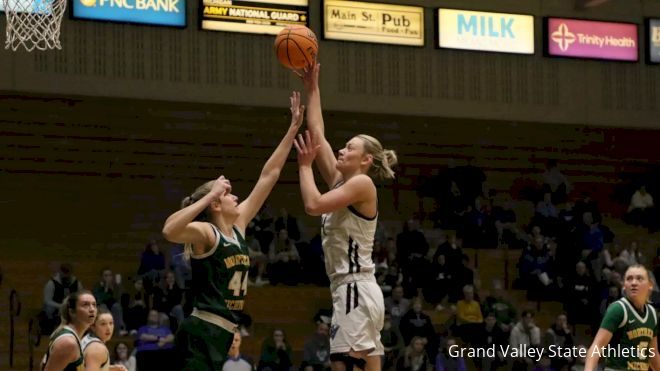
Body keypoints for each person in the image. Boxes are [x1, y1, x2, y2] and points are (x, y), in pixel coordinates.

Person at [162, 91, 305, 370]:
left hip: (223, 333)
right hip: (201, 331)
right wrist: (208, 195)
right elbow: (169, 230)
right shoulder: (207, 233)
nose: (236, 198)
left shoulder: (237, 228)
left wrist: (292, 129)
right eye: (229, 195)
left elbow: (269, 176)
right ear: (216, 203)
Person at [295, 62, 398, 371]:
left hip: (354, 287)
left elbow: (313, 205)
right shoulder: (342, 182)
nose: (340, 150)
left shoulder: (362, 184)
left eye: (349, 148)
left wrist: (303, 166)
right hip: (355, 289)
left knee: (342, 365)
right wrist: (312, 86)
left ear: (365, 160)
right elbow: (317, 133)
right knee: (367, 364)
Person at [585, 264, 660, 371]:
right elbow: (597, 347)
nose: (634, 283)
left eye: (639, 278)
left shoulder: (653, 314)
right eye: (629, 279)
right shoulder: (618, 309)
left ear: (650, 285)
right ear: (624, 285)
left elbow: (653, 354)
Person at [41, 290, 97, 371]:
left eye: (94, 305)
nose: (92, 309)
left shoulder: (68, 335)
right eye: (85, 305)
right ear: (72, 312)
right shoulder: (68, 342)